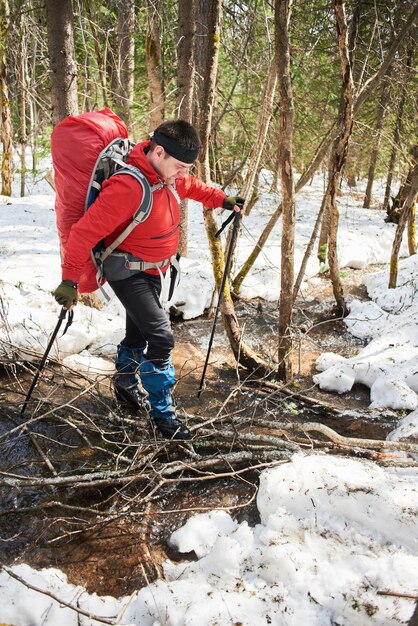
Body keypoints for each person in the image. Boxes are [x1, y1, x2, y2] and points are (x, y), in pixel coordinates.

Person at [53, 119, 244, 440]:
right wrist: (69, 280)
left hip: (154, 269)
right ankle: (163, 415)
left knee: (140, 331)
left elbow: (192, 186)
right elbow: (84, 232)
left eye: (187, 167)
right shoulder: (128, 186)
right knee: (161, 338)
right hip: (127, 271)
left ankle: (126, 385)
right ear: (158, 152)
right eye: (181, 166)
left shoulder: (167, 175)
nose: (184, 173)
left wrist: (221, 199)